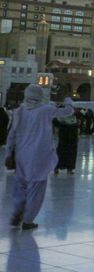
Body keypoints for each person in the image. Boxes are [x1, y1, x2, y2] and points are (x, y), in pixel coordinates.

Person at [5, 86, 74, 229]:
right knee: (36, 189)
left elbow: (11, 135)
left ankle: (18, 210)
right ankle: (28, 220)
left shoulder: (19, 111)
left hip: (21, 156)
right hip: (39, 156)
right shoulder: (46, 110)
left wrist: (8, 154)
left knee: (21, 186)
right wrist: (68, 100)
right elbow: (68, 112)